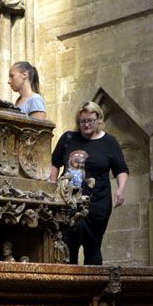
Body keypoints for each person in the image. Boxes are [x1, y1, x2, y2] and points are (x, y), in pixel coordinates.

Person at [49, 101, 128, 265]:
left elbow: (121, 169)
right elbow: (54, 163)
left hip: (97, 204)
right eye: (83, 121)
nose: (86, 125)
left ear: (99, 119)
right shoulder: (68, 138)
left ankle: (93, 281)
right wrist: (52, 186)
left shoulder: (109, 142)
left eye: (90, 120)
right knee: (68, 247)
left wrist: (121, 189)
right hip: (68, 203)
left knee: (93, 247)